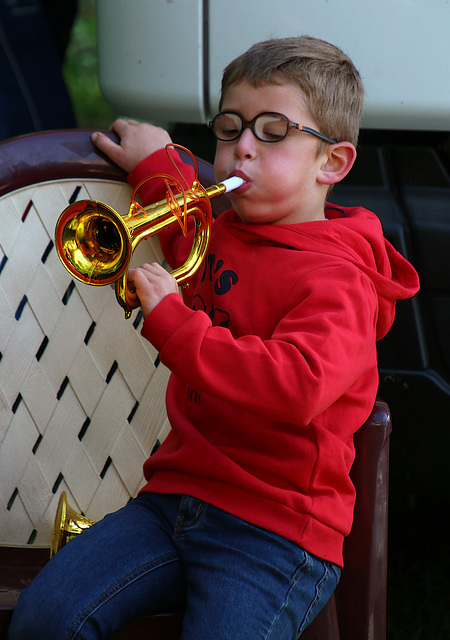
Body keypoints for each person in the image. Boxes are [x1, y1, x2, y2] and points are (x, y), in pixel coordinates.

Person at [8, 36, 419, 640]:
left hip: (275, 532)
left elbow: (296, 384)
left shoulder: (340, 279)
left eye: (273, 131)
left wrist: (175, 323)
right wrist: (156, 160)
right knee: (45, 620)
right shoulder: (219, 232)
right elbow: (184, 225)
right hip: (173, 500)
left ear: (332, 162)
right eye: (230, 129)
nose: (241, 149)